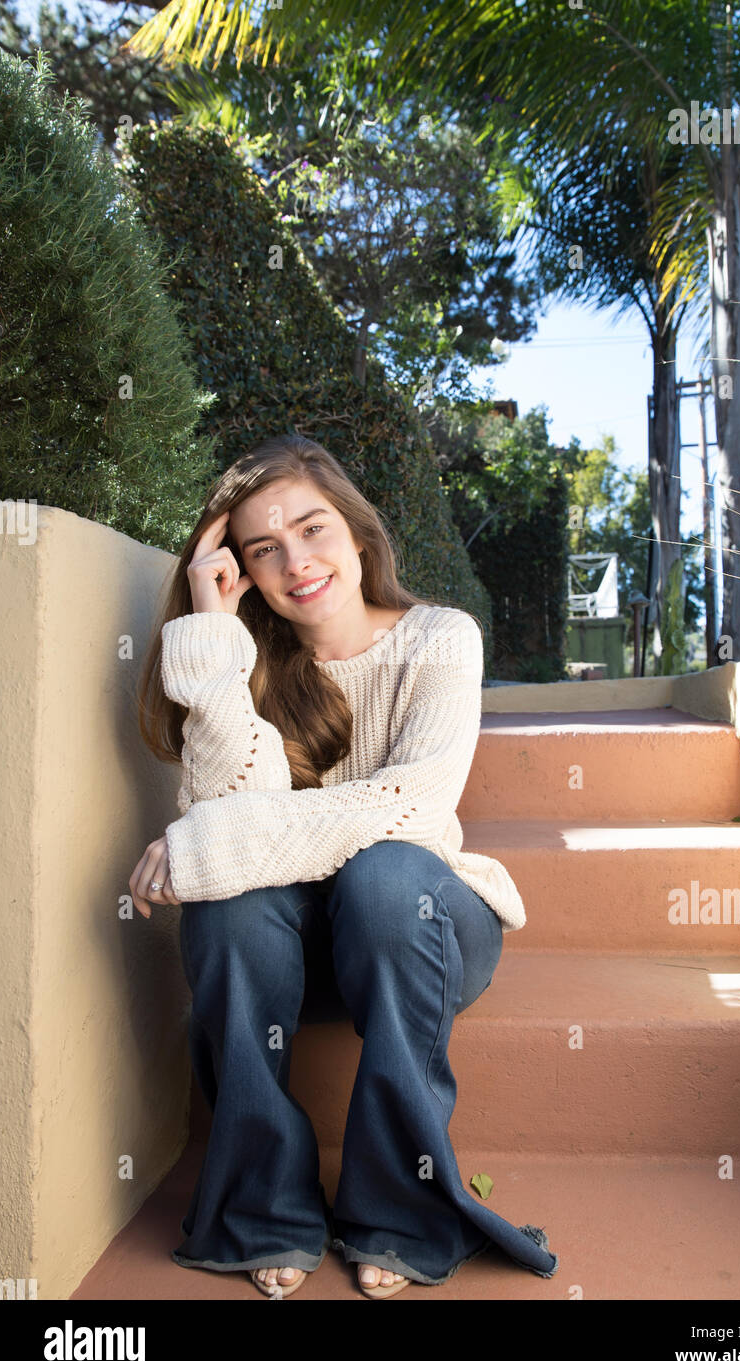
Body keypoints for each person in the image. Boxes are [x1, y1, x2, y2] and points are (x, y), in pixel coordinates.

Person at [131, 433, 559, 1298]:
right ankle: (264, 1209)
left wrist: (205, 849)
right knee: (229, 906)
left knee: (384, 874)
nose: (297, 561)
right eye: (262, 548)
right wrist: (214, 639)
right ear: (240, 570)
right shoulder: (249, 664)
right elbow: (223, 808)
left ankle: (402, 1210)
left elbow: (409, 804)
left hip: (420, 931)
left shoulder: (440, 639)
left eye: (313, 528)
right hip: (300, 956)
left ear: (358, 533)